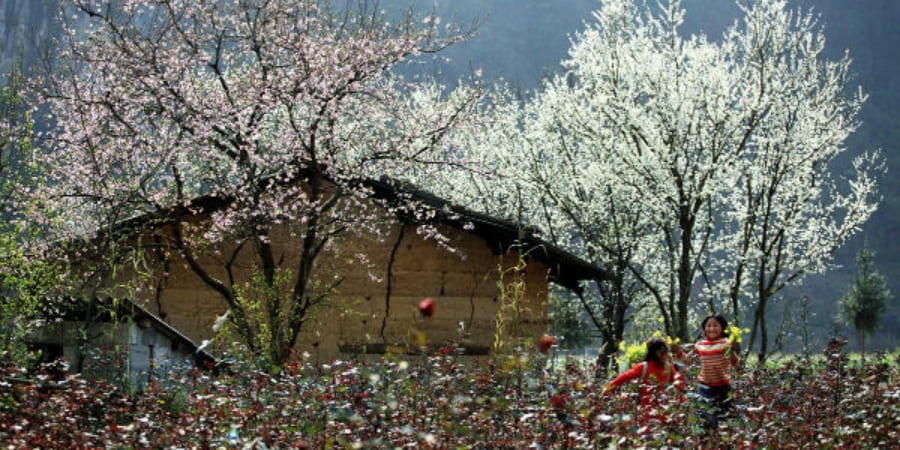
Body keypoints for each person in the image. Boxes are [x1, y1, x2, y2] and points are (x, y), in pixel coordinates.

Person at [678, 312, 742, 429]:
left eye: (715, 325)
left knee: (724, 419)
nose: (711, 328)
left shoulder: (726, 344)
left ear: (722, 328)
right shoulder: (700, 344)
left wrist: (732, 351)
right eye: (708, 326)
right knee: (706, 420)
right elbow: (687, 360)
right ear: (704, 328)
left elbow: (735, 363)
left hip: (723, 387)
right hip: (705, 387)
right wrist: (676, 350)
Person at [603, 337, 685, 424]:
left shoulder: (669, 368)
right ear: (656, 353)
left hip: (664, 413)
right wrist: (607, 390)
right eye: (663, 352)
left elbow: (680, 385)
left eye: (666, 352)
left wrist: (684, 403)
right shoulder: (644, 367)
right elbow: (623, 377)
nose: (666, 355)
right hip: (646, 413)